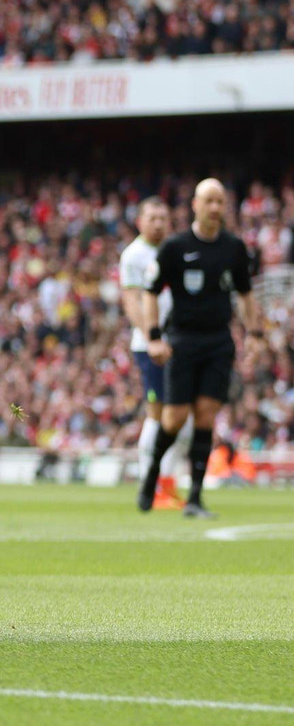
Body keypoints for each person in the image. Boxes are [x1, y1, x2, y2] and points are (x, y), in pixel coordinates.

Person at [139, 178, 261, 518]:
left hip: (219, 341)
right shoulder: (175, 247)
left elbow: (246, 294)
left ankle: (194, 497)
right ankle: (151, 473)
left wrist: (254, 333)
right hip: (182, 340)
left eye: (220, 201)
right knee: (175, 418)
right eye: (208, 200)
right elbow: (150, 292)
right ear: (194, 204)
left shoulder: (234, 248)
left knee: (206, 415)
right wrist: (153, 336)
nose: (215, 208)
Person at [119, 196, 188, 510]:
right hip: (151, 346)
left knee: (179, 417)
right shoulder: (134, 255)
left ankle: (166, 484)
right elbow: (132, 301)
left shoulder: (173, 249)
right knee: (159, 414)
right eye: (153, 218)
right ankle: (152, 483)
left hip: (179, 341)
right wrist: (152, 338)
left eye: (164, 217)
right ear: (140, 222)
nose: (160, 223)